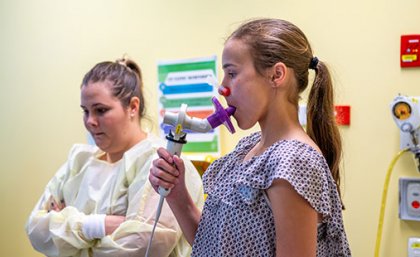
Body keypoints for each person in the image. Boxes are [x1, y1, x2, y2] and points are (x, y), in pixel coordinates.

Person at [149, 18, 352, 257]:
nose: (222, 87)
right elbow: (213, 245)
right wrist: (177, 193)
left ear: (277, 75)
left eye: (232, 73)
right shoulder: (248, 149)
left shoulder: (293, 161)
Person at [25, 57, 204, 257]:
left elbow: (144, 246)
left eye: (101, 110)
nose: (90, 121)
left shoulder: (162, 163)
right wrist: (100, 225)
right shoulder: (79, 160)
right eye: (86, 111)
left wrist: (66, 232)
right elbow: (35, 228)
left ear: (133, 107)